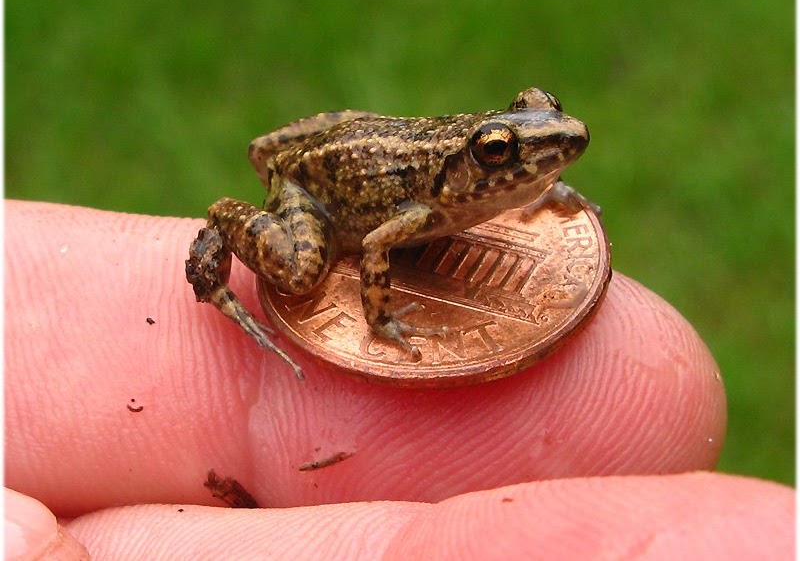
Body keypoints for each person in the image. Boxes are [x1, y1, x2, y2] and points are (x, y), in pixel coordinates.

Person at [5, 201, 793, 559]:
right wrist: (379, 319)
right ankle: (216, 252)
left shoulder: (487, 184)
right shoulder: (428, 198)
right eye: (498, 154)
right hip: (317, 191)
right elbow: (379, 244)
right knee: (308, 271)